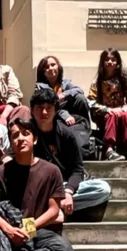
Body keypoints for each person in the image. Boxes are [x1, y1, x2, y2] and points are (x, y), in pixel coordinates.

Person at [0, 114, 73, 251]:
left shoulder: (51, 171)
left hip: (37, 230)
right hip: (5, 231)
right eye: (15, 135)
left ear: (34, 139)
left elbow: (53, 210)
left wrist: (28, 229)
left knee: (63, 248)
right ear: (10, 142)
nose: (20, 138)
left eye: (25, 133)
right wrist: (10, 230)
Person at [29, 87, 111, 219]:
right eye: (39, 108)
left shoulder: (66, 133)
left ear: (55, 111)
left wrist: (68, 192)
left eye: (49, 108)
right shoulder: (26, 133)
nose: (44, 112)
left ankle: (53, 207)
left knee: (102, 189)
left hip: (64, 185)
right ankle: (55, 208)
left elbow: (77, 169)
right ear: (32, 110)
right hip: (39, 186)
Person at [35, 55, 92, 156]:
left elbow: (79, 90)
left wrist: (64, 95)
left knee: (80, 98)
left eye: (53, 65)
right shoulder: (40, 88)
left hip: (73, 115)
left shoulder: (65, 83)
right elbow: (51, 107)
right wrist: (65, 115)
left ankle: (84, 127)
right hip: (55, 118)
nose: (51, 68)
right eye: (47, 67)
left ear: (58, 67)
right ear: (43, 72)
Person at [88, 48, 127, 161]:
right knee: (112, 114)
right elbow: (91, 101)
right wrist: (107, 109)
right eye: (107, 59)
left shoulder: (124, 81)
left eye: (113, 60)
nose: (110, 62)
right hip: (104, 117)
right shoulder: (97, 82)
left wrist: (124, 108)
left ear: (118, 62)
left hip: (121, 115)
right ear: (102, 62)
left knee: (125, 115)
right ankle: (109, 149)